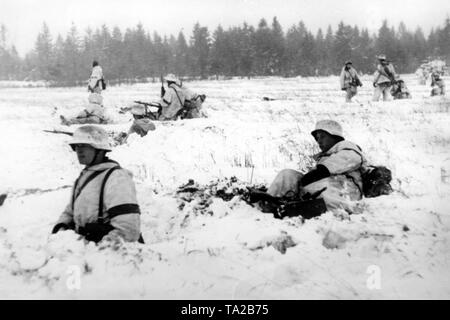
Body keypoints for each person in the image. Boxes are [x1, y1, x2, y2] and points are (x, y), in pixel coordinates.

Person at [51, 125, 143, 243]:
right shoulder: (85, 176)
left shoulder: (117, 178)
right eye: (76, 146)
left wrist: (99, 252)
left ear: (99, 150)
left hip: (109, 254)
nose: (79, 150)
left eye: (84, 146)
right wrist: (61, 231)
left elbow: (128, 230)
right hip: (84, 248)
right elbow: (71, 211)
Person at [263, 120, 367, 214]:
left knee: (321, 190)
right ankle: (266, 201)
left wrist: (321, 170)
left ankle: (294, 207)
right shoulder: (325, 156)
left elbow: (351, 158)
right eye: (317, 138)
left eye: (322, 137)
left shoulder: (346, 146)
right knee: (288, 175)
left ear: (335, 136)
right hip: (324, 191)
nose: (319, 141)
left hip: (344, 193)